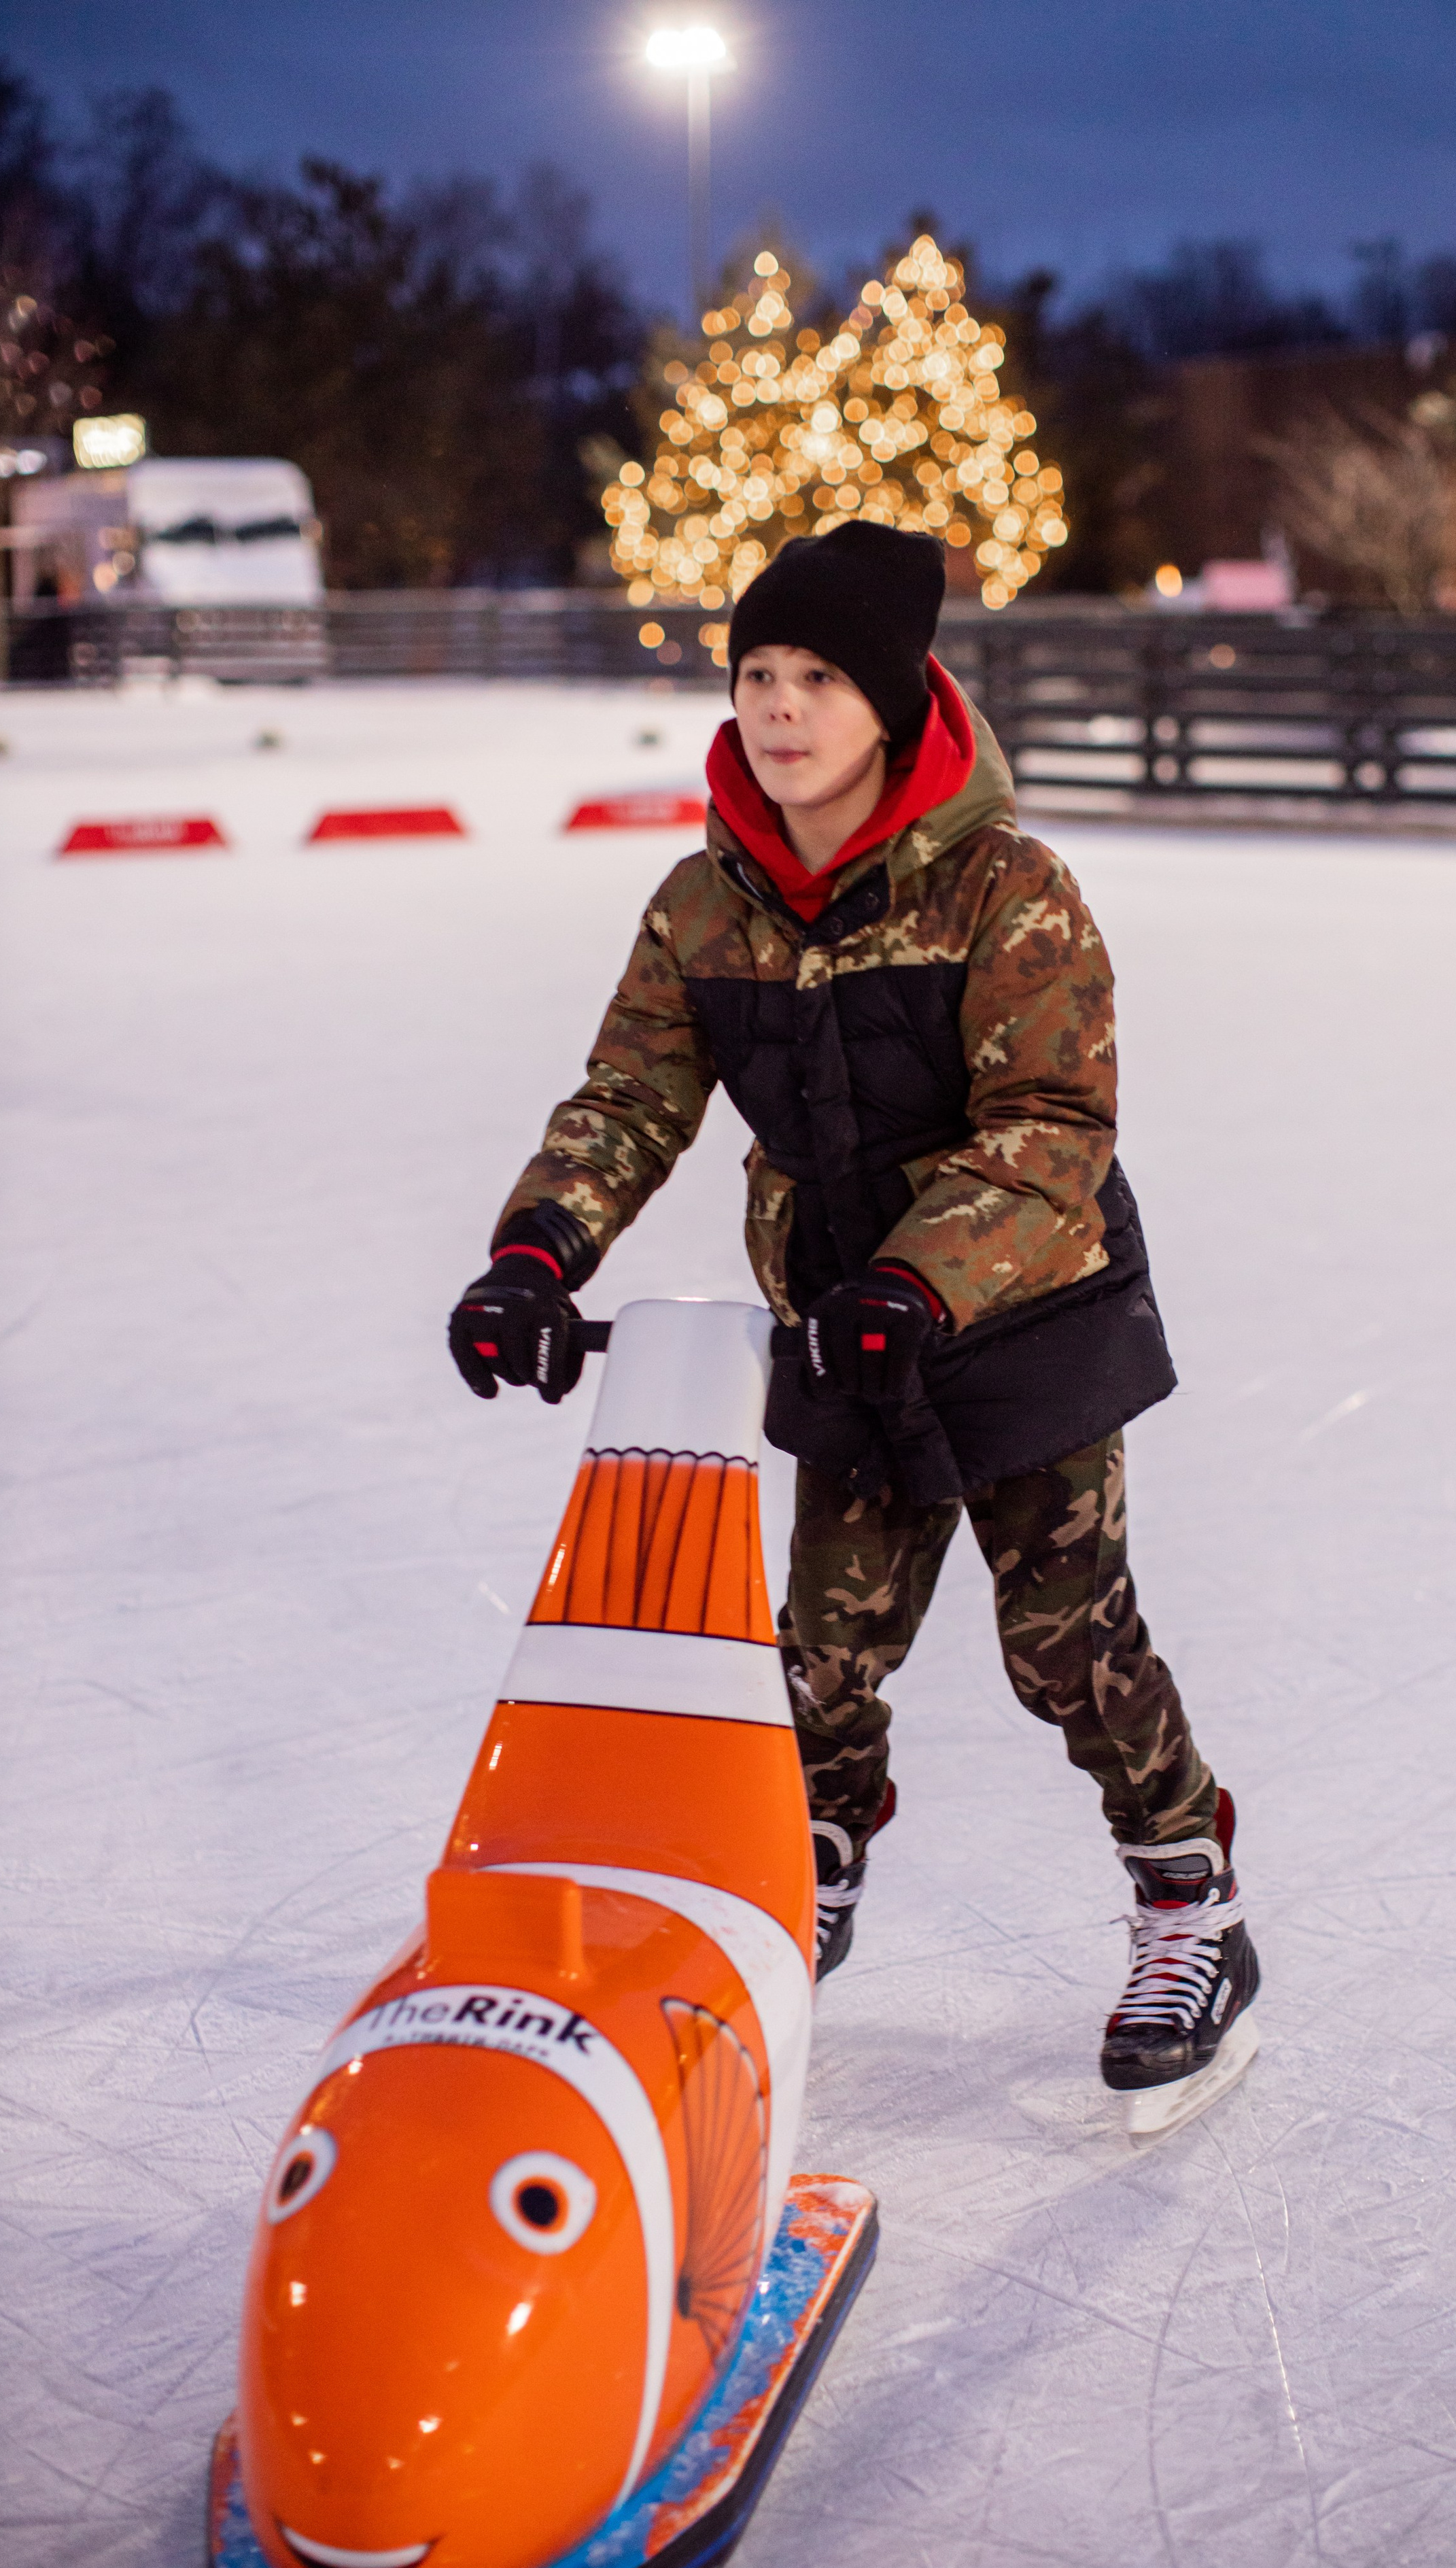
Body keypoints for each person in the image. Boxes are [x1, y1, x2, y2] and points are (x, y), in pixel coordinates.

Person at [449, 520, 1258, 2125]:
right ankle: (801, 1867)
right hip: (845, 1321)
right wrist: (538, 1250)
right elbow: (630, 1095)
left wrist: (917, 1278)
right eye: (756, 673)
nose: (779, 707)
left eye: (818, 676)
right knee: (821, 1651)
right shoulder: (705, 904)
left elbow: (1047, 1128)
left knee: (1065, 1646)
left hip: (1023, 1306)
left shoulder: (1007, 890)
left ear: (890, 704)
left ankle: (1188, 1901)